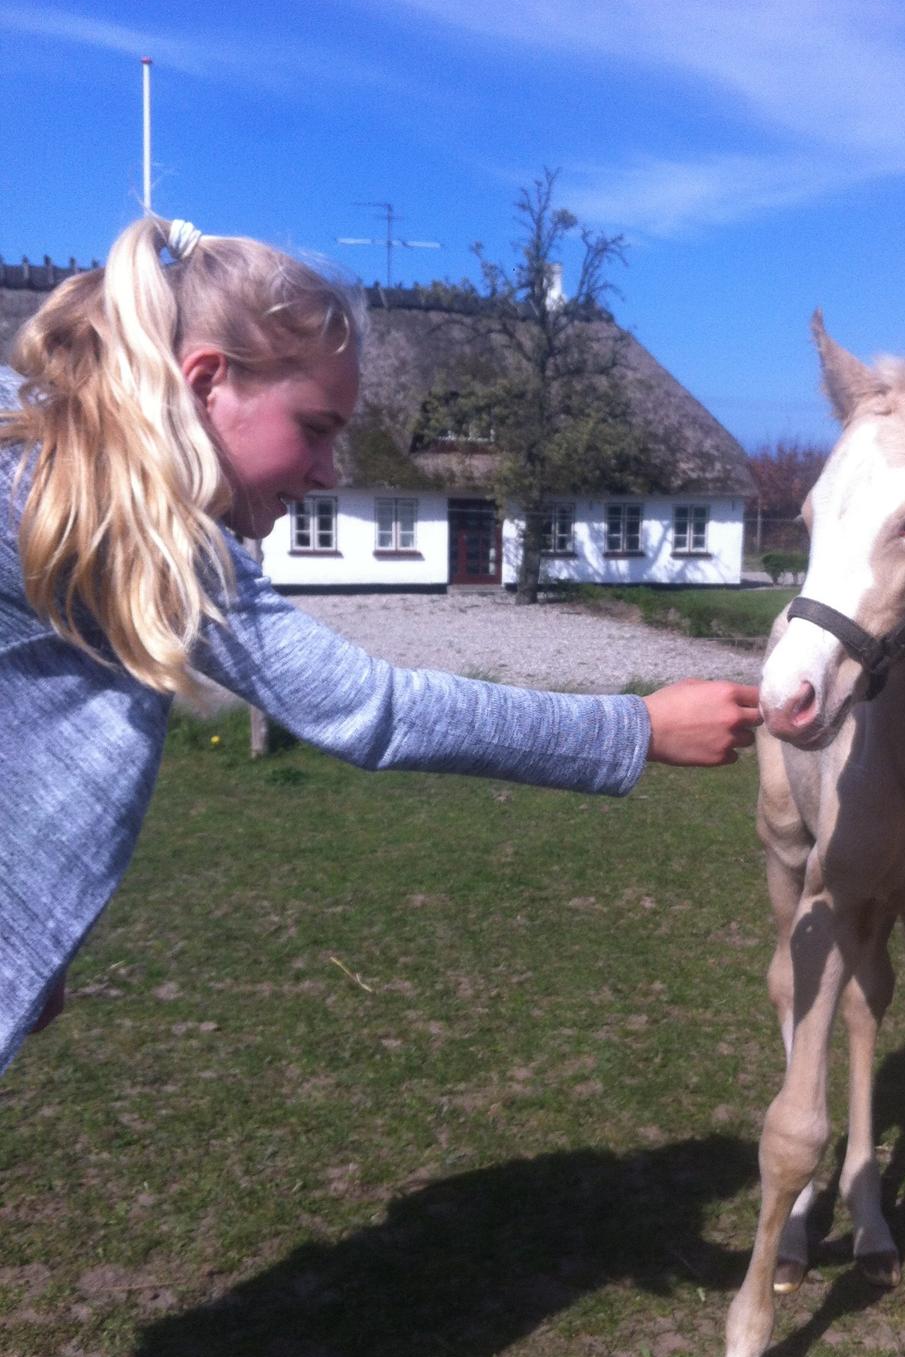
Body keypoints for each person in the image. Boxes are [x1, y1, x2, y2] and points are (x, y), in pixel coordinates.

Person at [0, 214, 761, 1076]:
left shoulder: (61, 473)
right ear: (206, 382)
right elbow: (375, 710)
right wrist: (638, 728)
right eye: (317, 428)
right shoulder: (120, 520)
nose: (328, 472)